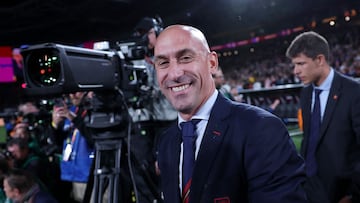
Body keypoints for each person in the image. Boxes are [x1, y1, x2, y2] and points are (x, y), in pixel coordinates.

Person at [153, 25, 308, 202]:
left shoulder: (260, 128)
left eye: (186, 58)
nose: (174, 73)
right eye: (163, 62)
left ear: (212, 63)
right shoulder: (167, 142)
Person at [286, 31, 360, 203]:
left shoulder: (354, 92)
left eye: (301, 64)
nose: (296, 71)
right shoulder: (305, 93)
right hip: (310, 187)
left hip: (342, 192)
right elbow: (308, 139)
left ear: (320, 60)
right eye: (294, 65)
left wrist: (354, 194)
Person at [51, 92, 94, 202]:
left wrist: (73, 118)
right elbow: (58, 143)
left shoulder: (93, 110)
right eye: (70, 92)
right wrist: (55, 125)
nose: (73, 95)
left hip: (90, 174)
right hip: (72, 175)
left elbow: (93, 138)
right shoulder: (71, 110)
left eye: (77, 92)